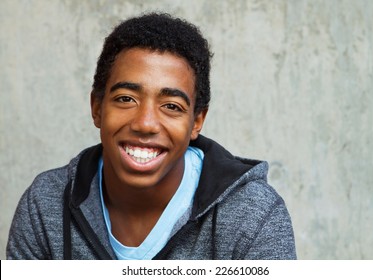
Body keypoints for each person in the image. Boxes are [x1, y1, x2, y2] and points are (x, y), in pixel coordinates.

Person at [7, 12, 296, 260]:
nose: (145, 123)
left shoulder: (253, 216)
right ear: (97, 108)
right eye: (125, 99)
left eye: (171, 106)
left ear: (197, 121)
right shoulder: (46, 205)